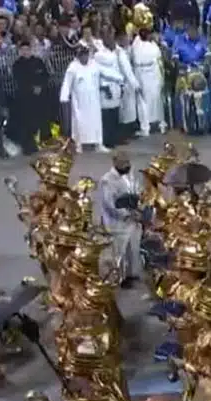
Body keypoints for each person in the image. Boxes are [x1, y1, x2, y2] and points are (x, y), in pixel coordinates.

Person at [60, 40, 122, 153]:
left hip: (94, 100)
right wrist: (64, 97)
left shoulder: (94, 64)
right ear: (78, 56)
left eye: (85, 54)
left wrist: (119, 78)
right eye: (81, 55)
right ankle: (79, 144)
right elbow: (67, 83)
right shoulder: (73, 67)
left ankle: (99, 143)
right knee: (79, 123)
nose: (84, 57)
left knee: (96, 122)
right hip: (80, 102)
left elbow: (106, 72)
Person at [99, 150, 142, 286]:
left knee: (129, 249)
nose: (127, 165)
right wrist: (126, 213)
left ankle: (129, 274)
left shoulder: (127, 176)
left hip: (128, 220)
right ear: (115, 163)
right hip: (115, 222)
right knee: (119, 252)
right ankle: (119, 278)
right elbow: (109, 204)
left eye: (128, 162)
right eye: (124, 163)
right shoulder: (108, 180)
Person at [12, 39, 52, 155]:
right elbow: (19, 80)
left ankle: (46, 143)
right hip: (25, 99)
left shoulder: (38, 61)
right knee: (27, 124)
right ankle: (29, 147)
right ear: (20, 51)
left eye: (27, 49)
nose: (25, 52)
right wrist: (31, 88)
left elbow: (45, 76)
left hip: (40, 98)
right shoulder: (17, 65)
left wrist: (40, 87)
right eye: (22, 50)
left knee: (43, 121)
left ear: (30, 50)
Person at [132, 26, 167, 136]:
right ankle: (159, 125)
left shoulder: (138, 45)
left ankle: (147, 127)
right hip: (148, 73)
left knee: (148, 101)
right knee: (153, 100)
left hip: (147, 73)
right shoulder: (151, 45)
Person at [94, 31, 124, 148]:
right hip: (105, 89)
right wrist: (104, 87)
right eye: (109, 39)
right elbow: (99, 73)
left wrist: (121, 85)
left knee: (114, 114)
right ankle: (107, 140)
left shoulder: (116, 53)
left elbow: (118, 71)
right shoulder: (99, 55)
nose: (111, 41)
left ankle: (114, 138)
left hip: (116, 86)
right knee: (106, 117)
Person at [115, 30, 141, 138]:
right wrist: (135, 84)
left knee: (130, 109)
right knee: (124, 110)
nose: (127, 40)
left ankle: (131, 130)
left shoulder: (127, 49)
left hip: (128, 82)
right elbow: (126, 70)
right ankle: (124, 133)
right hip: (123, 82)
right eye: (125, 38)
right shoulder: (119, 52)